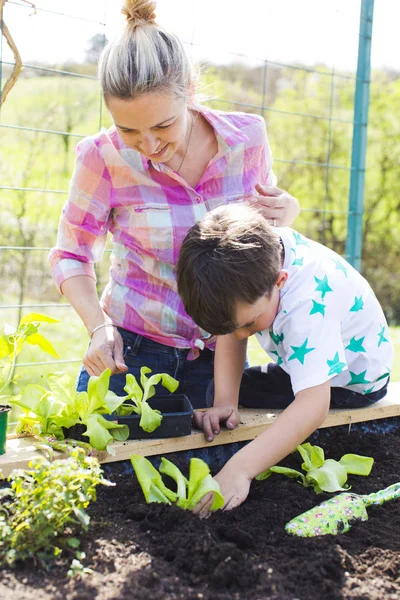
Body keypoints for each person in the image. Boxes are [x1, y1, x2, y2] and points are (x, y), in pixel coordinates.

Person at [48, 0, 300, 409]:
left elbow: (261, 238)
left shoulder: (247, 141)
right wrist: (99, 328)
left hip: (221, 358)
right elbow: (70, 254)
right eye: (128, 129)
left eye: (164, 125)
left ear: (191, 91)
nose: (149, 146)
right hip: (129, 357)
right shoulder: (101, 157)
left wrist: (286, 214)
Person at [176, 202, 394, 511]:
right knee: (221, 394)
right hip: (306, 366)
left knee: (301, 412)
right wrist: (225, 402)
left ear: (279, 281)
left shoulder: (307, 304)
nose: (241, 336)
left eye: (248, 324)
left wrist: (241, 469)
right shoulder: (254, 258)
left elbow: (315, 405)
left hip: (352, 382)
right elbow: (231, 332)